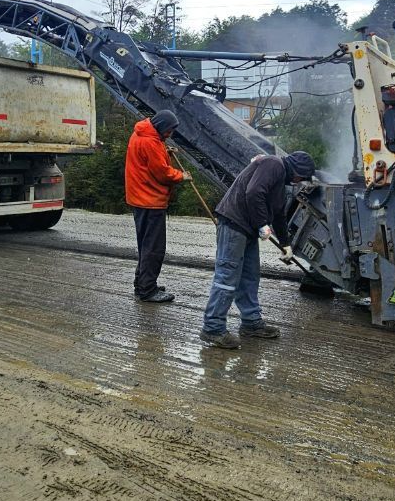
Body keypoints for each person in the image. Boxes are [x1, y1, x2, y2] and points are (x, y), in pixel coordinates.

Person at [200, 151, 315, 349]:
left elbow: (279, 214)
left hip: (247, 229)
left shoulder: (280, 181)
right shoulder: (274, 164)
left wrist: (286, 244)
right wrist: (262, 223)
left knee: (250, 276)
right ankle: (213, 328)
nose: (299, 181)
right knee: (227, 278)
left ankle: (251, 323)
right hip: (234, 224)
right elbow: (253, 192)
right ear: (297, 171)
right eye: (301, 177)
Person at [125, 110, 190, 303]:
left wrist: (165, 151)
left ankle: (142, 283)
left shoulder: (142, 133)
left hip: (139, 198)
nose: (170, 134)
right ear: (161, 126)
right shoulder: (151, 142)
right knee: (154, 248)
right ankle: (148, 290)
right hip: (150, 200)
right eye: (169, 130)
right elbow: (162, 173)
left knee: (145, 245)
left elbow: (150, 157)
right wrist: (182, 176)